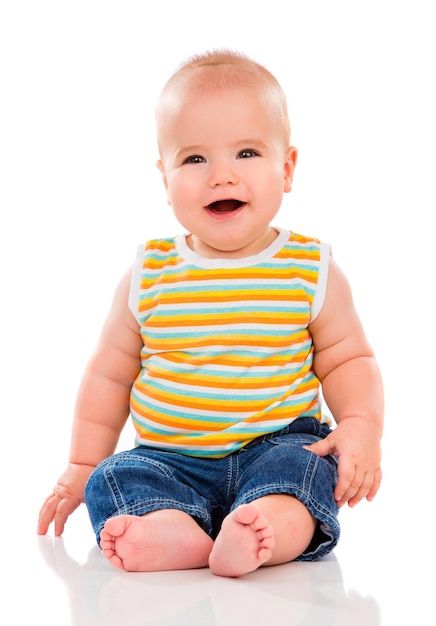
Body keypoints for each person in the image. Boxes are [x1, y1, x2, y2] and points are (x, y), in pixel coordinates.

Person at [38, 49, 384, 578]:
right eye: (194, 159)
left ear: (286, 168)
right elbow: (108, 375)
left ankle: (267, 527)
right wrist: (82, 465)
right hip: (169, 458)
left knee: (309, 470)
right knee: (114, 478)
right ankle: (177, 533)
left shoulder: (310, 269)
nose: (221, 176)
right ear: (165, 178)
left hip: (275, 445)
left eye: (246, 153)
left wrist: (361, 425)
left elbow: (348, 360)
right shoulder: (148, 273)